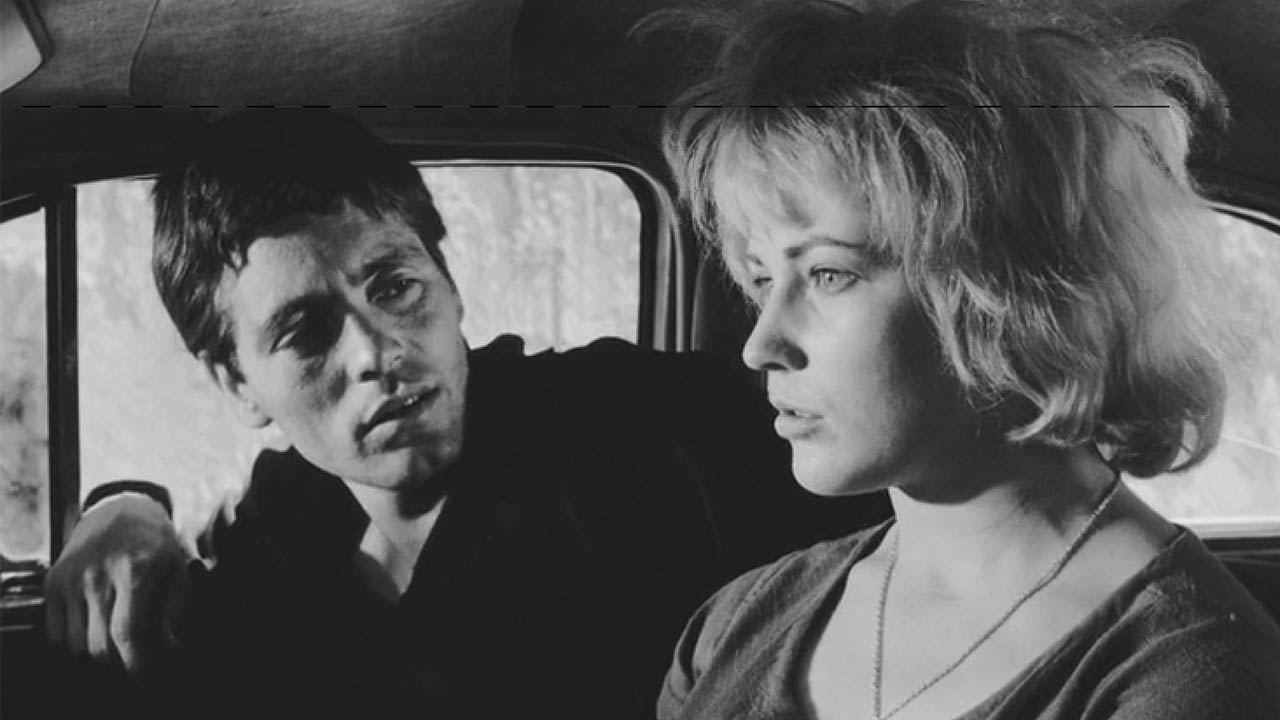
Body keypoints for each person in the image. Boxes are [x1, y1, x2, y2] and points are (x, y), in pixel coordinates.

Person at [42, 109, 889, 719]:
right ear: (237, 385)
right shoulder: (283, 528)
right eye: (305, 332)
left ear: (450, 287)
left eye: (395, 287)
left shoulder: (646, 426)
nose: (375, 351)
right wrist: (123, 504)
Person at [652, 1, 1280, 718]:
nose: (761, 345)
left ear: (1007, 290)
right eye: (763, 280)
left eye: (828, 274)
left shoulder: (1191, 679)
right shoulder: (736, 625)